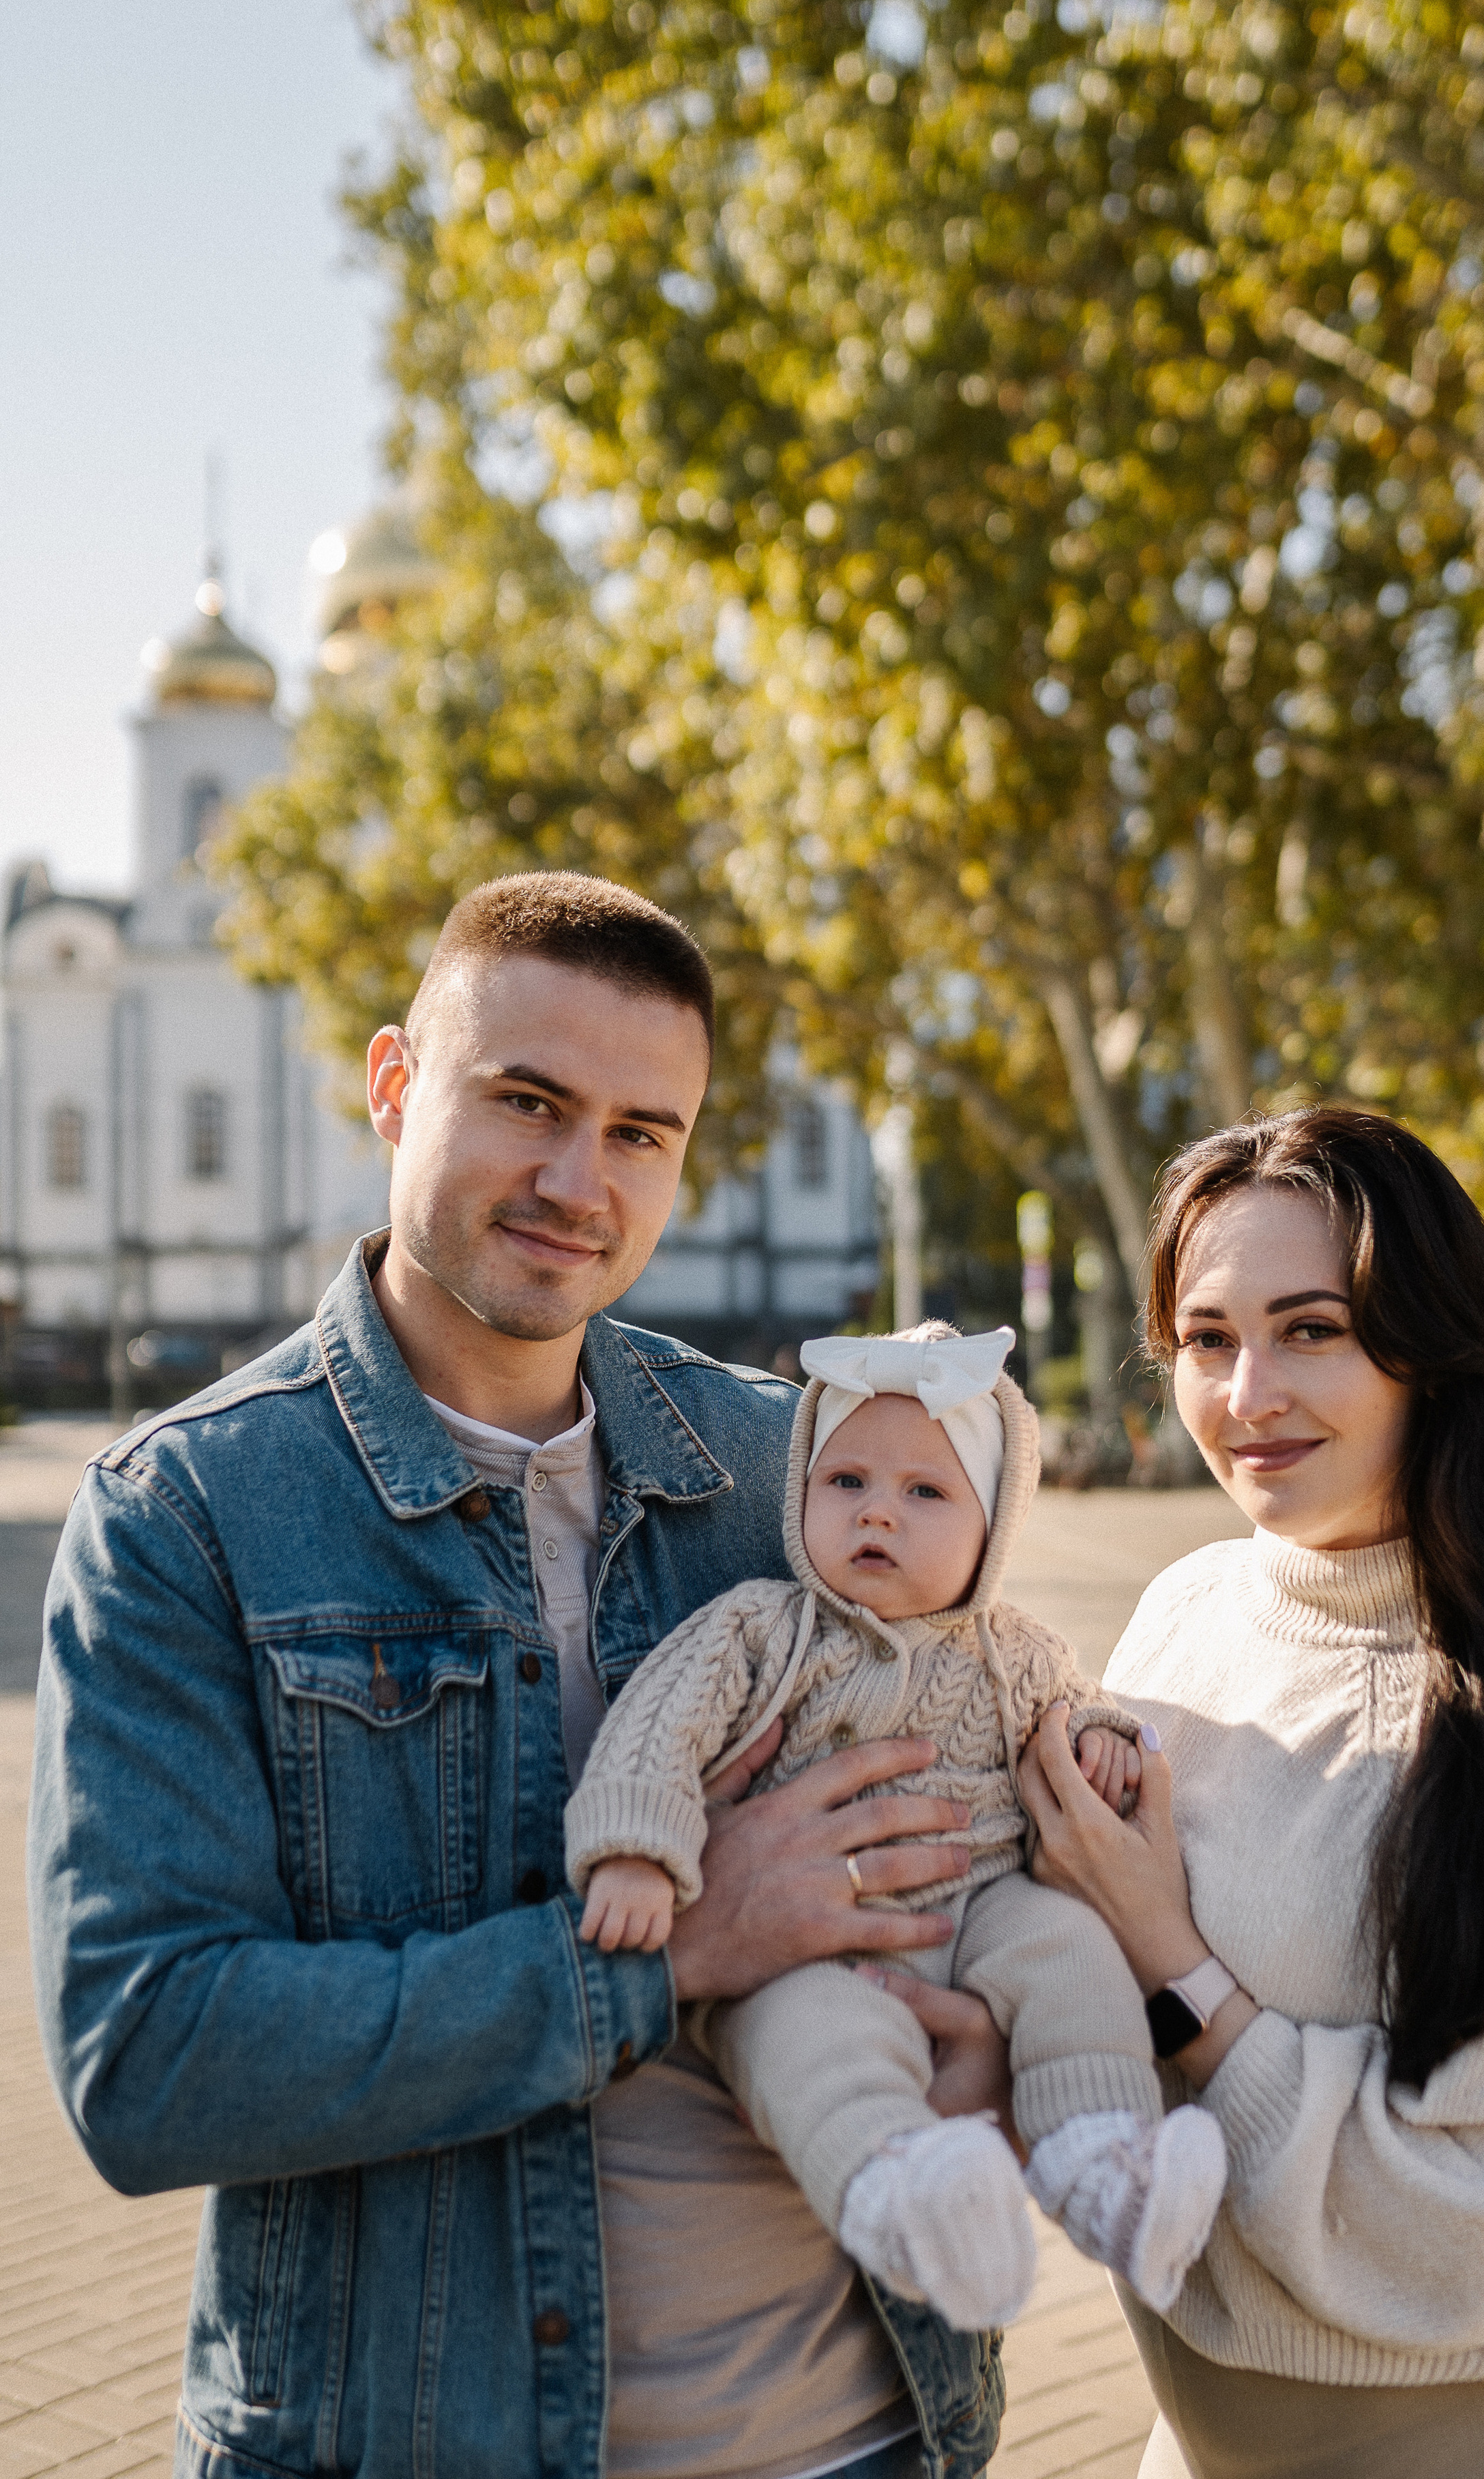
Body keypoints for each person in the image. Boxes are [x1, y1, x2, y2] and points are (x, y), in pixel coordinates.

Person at [28, 872, 1010, 2479]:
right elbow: (149, 2056)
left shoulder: (785, 1468)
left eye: (641, 1132)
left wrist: (994, 2028)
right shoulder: (189, 1516)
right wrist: (656, 1954)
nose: (577, 1179)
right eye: (528, 1102)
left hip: (866, 2437)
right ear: (396, 1084)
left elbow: (964, 1814)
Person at [1018, 1106, 1484, 2479]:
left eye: (1310, 1330)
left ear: (1429, 1353)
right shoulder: (1182, 1611)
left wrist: (1165, 1955)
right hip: (1178, 2442)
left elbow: (1463, 2232)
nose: (1245, 1397)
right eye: (1207, 1339)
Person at [567, 1323, 1226, 2330]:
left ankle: (1104, 2156)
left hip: (988, 1908)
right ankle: (903, 2183)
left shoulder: (1017, 1650)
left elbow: (1083, 1712)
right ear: (799, 1496)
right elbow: (657, 1726)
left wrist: (1105, 1745)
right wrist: (635, 1852)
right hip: (803, 1947)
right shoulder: (759, 1629)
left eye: (926, 1494)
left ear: (994, 1527)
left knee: (1072, 1952)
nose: (879, 1511)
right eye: (848, 1484)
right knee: (804, 2035)